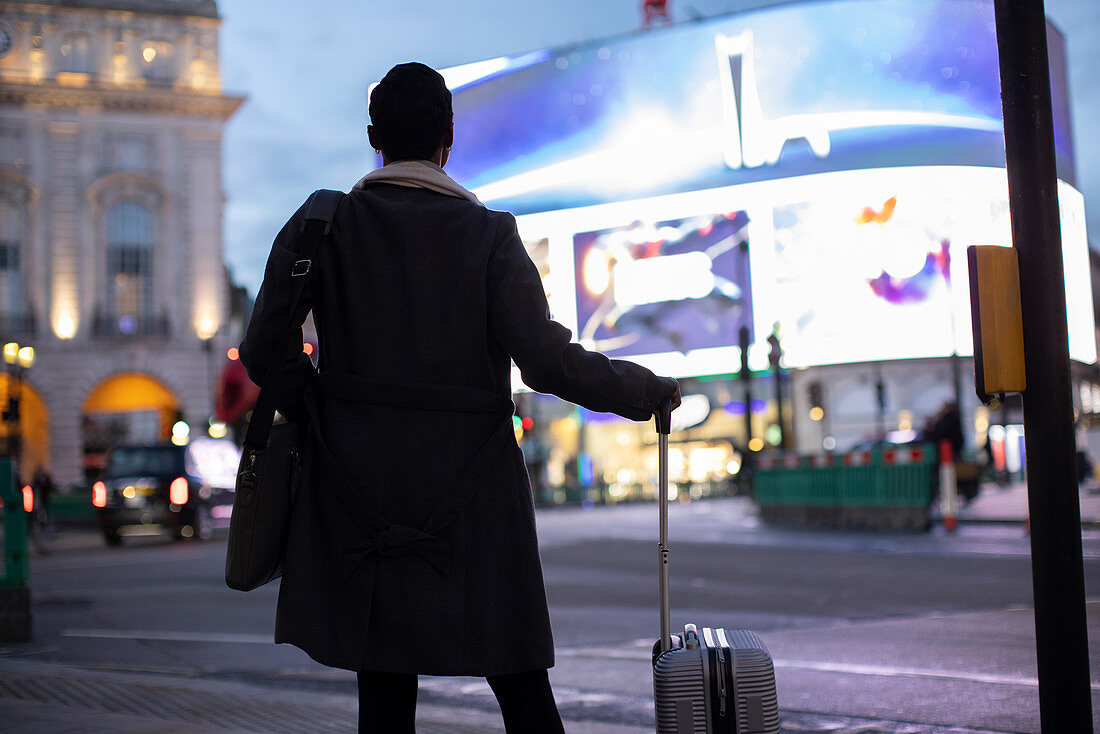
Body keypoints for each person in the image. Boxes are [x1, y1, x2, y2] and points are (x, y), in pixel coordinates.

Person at [240, 62, 681, 734]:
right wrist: (643, 391)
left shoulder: (325, 226)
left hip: (359, 491)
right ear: (449, 139)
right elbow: (545, 361)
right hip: (473, 495)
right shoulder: (490, 236)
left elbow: (263, 348)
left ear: (373, 138)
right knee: (520, 683)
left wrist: (323, 404)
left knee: (383, 693)